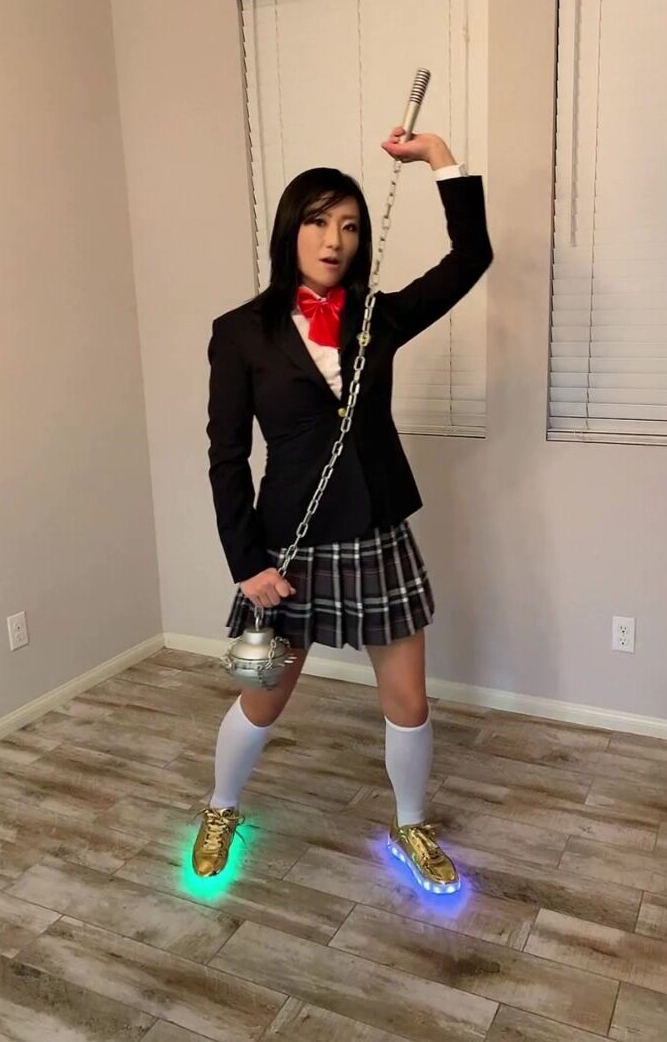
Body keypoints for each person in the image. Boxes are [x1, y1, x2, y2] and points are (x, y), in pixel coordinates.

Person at [197, 124, 491, 893]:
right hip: (288, 549)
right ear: (290, 229)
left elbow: (470, 258)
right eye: (319, 221)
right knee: (263, 698)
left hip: (376, 534)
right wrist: (246, 564)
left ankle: (411, 824)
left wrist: (438, 159)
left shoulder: (375, 317)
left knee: (409, 700)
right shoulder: (239, 333)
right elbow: (226, 457)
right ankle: (221, 807)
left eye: (351, 225)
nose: (334, 240)